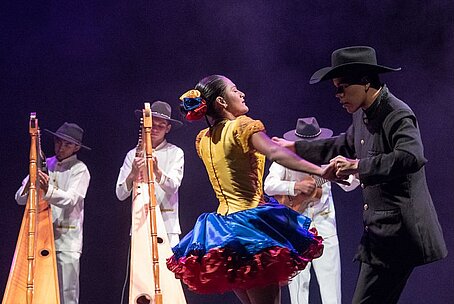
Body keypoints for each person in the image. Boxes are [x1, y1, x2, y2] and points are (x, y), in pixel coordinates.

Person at [273, 46, 447, 304]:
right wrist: (295, 147)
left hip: (399, 235)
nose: (338, 95)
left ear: (365, 82)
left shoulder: (396, 113)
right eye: (335, 89)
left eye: (342, 87)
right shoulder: (363, 114)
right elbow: (341, 144)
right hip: (380, 235)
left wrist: (357, 166)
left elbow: (411, 157)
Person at [166, 75, 342, 304]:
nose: (242, 94)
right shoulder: (242, 126)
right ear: (221, 101)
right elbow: (276, 154)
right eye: (235, 90)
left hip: (221, 230)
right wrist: (320, 171)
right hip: (250, 227)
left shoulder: (204, 139)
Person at [264, 117, 359, 304]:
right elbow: (269, 185)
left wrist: (357, 170)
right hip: (296, 228)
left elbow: (348, 185)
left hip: (325, 225)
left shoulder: (328, 158)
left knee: (331, 289)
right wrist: (295, 187)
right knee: (299, 289)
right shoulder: (286, 158)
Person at [15, 122, 91, 304]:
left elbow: (70, 200)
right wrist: (29, 185)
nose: (61, 147)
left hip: (67, 241)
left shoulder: (80, 169)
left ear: (77, 147)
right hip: (40, 239)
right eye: (58, 142)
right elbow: (19, 198)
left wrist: (47, 189)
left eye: (67, 144)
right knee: (39, 291)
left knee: (67, 294)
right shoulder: (43, 164)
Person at [116, 100, 184, 247]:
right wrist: (132, 174)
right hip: (140, 225)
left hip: (168, 226)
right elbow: (120, 194)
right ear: (145, 125)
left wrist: (157, 171)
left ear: (168, 128)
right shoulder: (132, 154)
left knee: (169, 269)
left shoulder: (176, 152)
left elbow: (173, 187)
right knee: (140, 269)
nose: (155, 129)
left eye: (161, 126)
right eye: (152, 124)